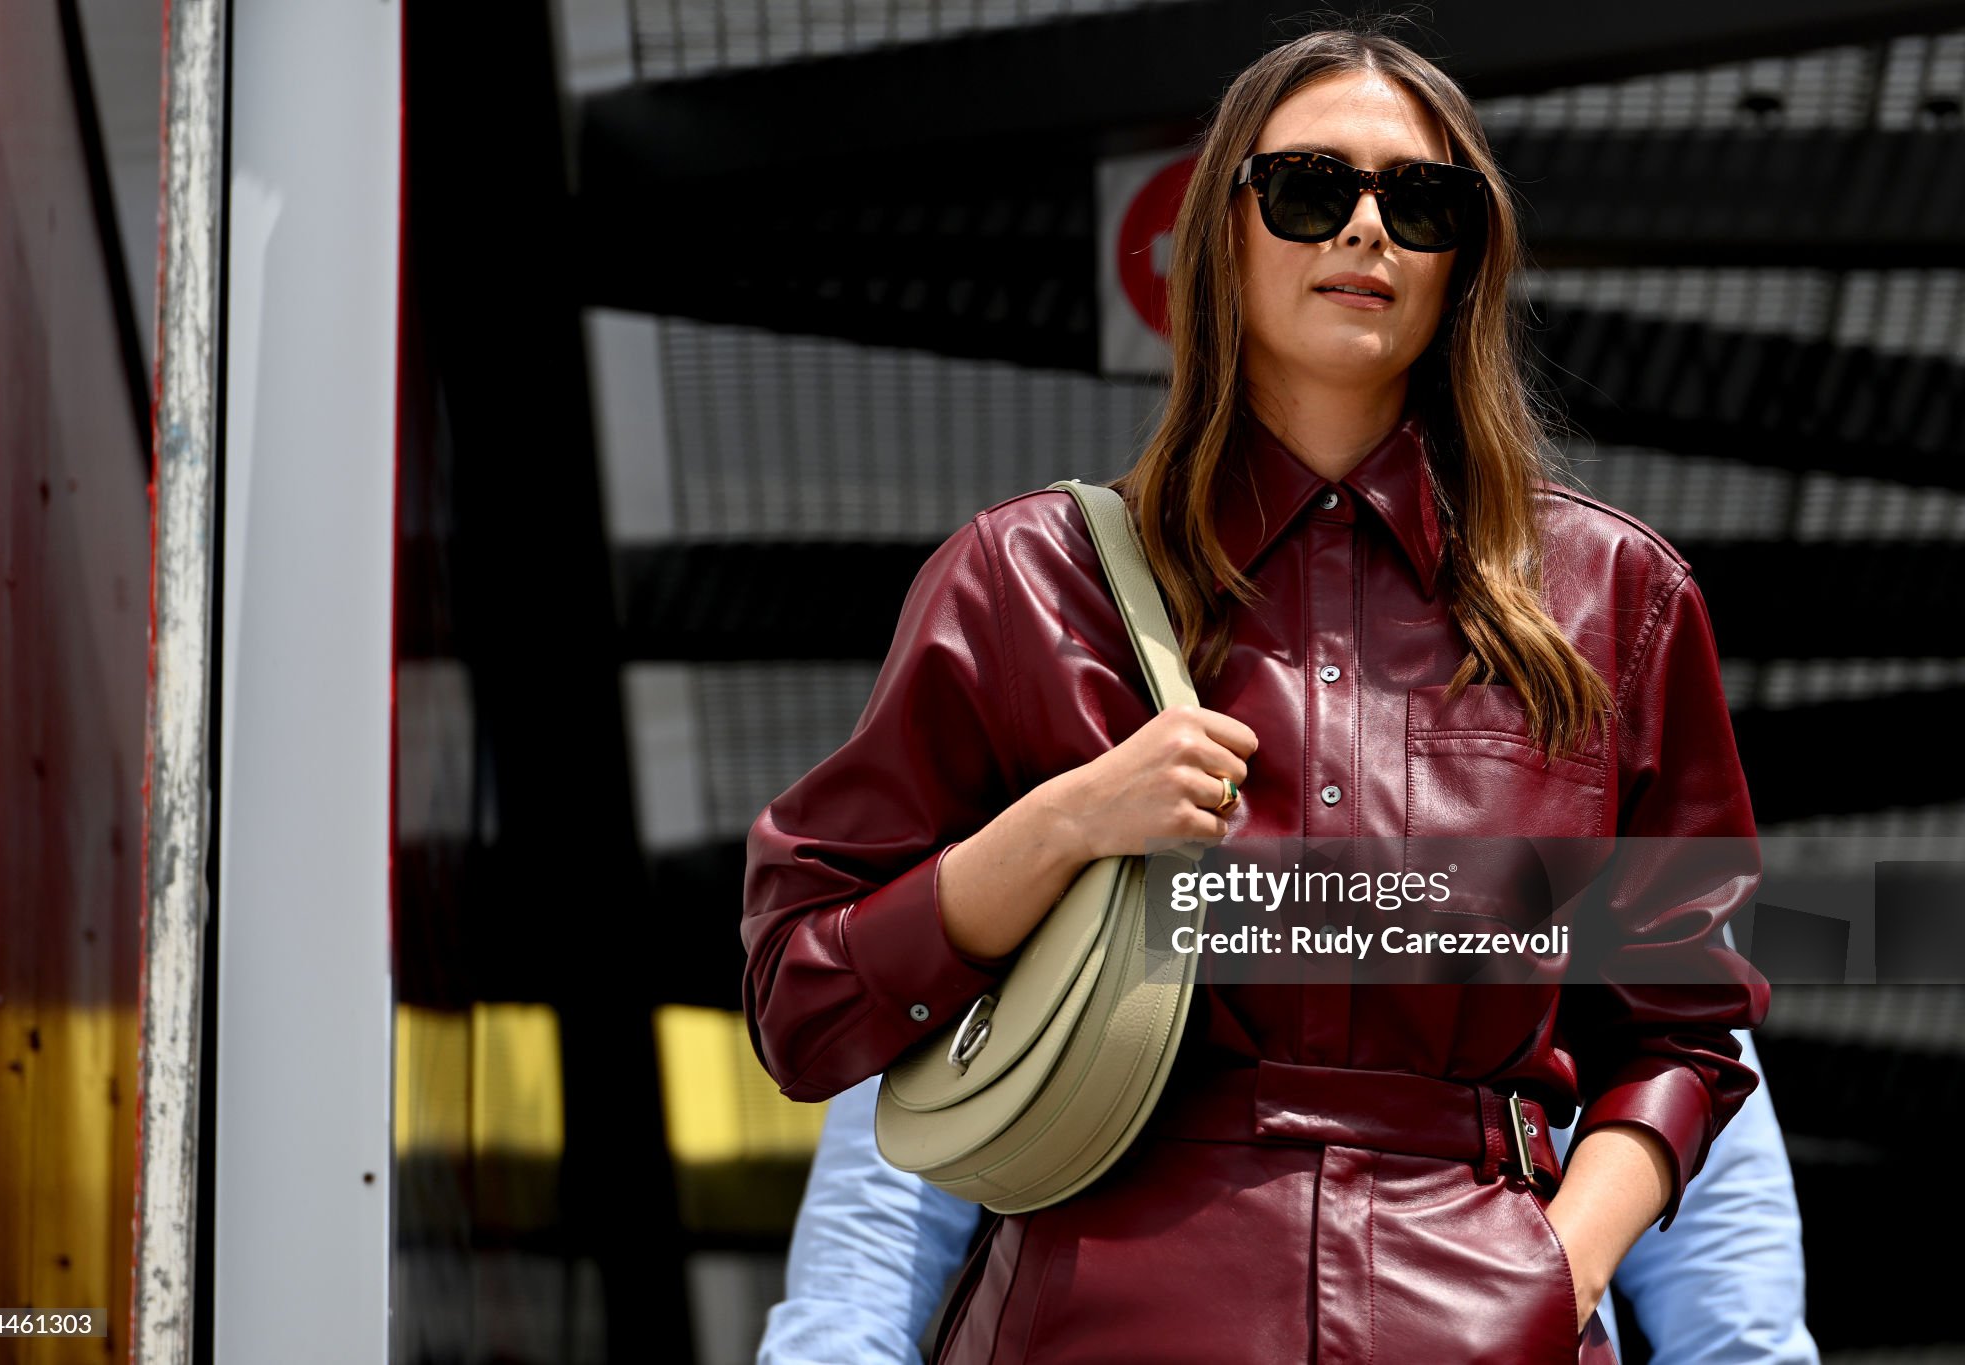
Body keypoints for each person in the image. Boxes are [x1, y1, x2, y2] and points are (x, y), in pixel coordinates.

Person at [740, 21, 1770, 1363]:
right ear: (1220, 232)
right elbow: (803, 998)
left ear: (1466, 260)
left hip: (1480, 1308)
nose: (1365, 229)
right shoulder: (1025, 580)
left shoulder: (1617, 600)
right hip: (1099, 1309)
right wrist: (1062, 824)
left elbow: (1686, 1027)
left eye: (1420, 200)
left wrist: (1553, 1272)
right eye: (1307, 189)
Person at [757, 1030, 1820, 1364]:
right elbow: (884, 1226)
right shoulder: (1062, 759)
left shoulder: (1562, 775)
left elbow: (1730, 1300)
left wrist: (1538, 1286)